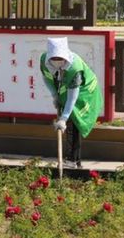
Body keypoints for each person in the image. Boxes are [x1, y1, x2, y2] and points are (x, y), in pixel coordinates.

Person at [40, 37, 103, 167]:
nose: (57, 62)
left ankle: (73, 160)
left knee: (74, 121)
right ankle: (73, 160)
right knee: (69, 119)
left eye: (60, 59)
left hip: (85, 91)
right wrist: (55, 96)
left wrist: (63, 118)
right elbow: (47, 78)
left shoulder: (74, 68)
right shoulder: (44, 60)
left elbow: (72, 97)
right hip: (65, 88)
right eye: (54, 59)